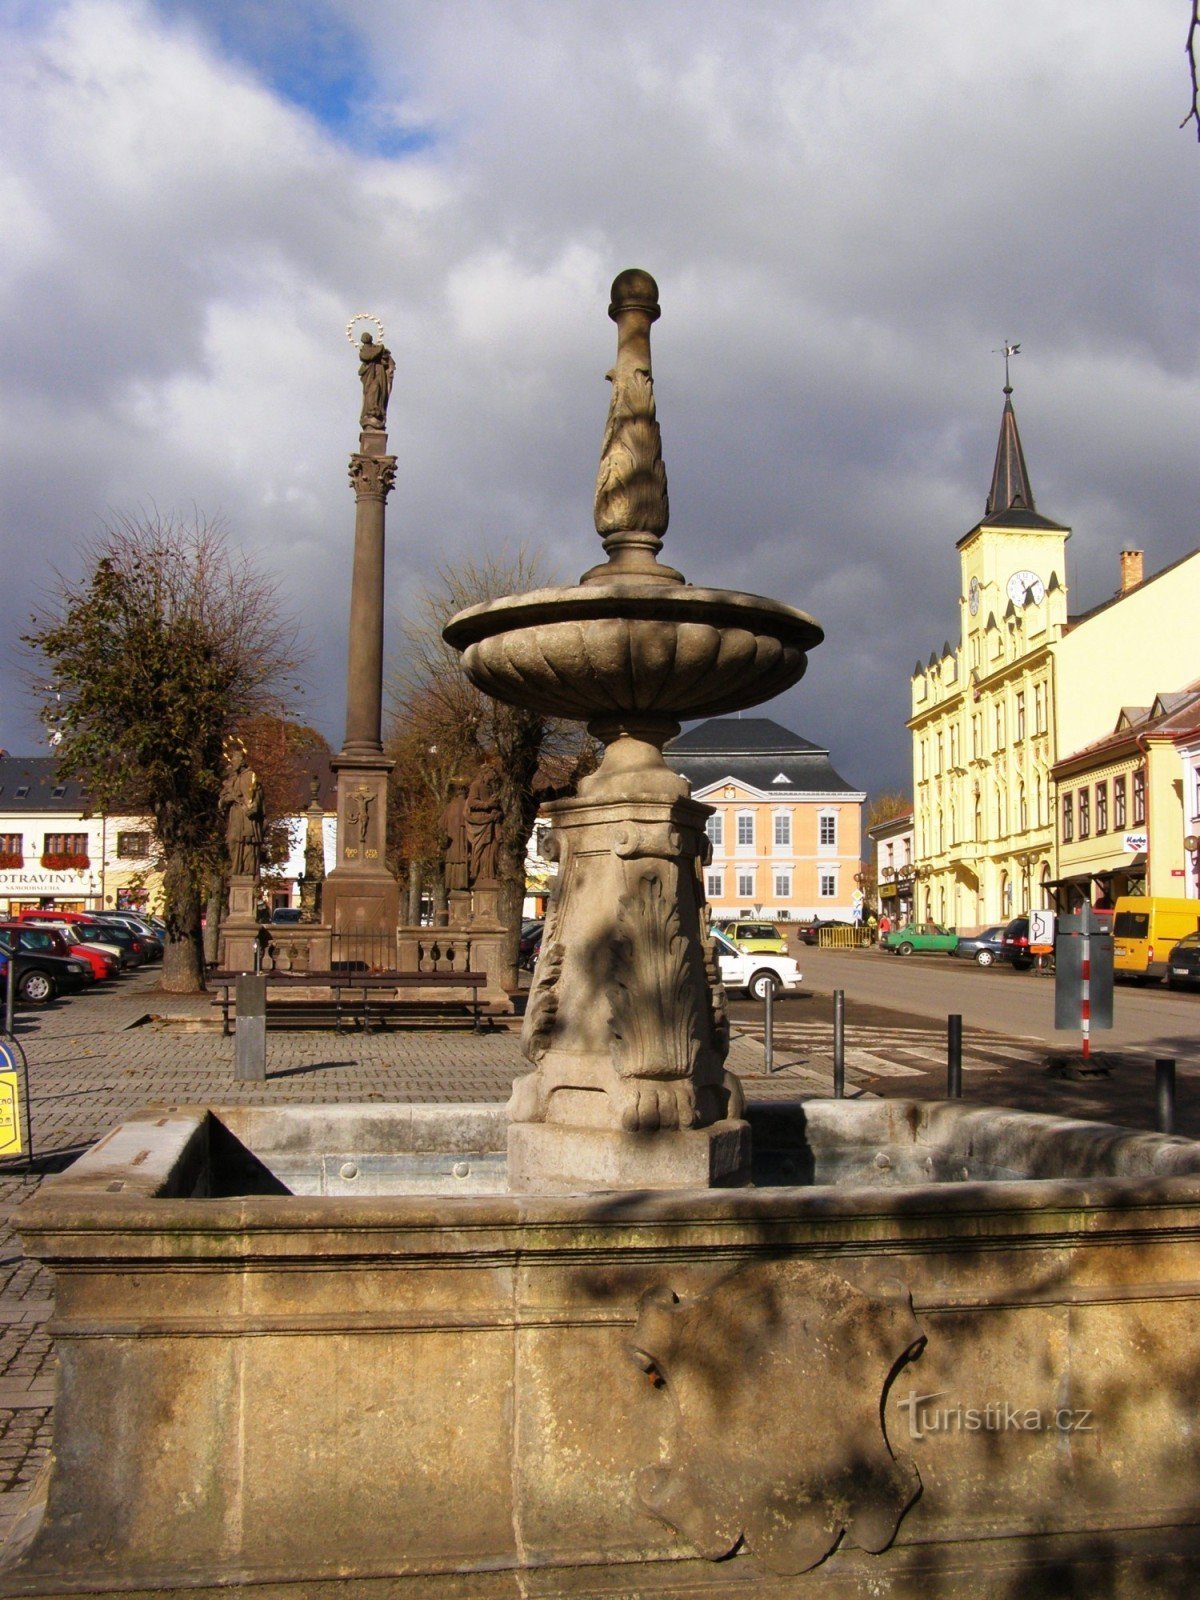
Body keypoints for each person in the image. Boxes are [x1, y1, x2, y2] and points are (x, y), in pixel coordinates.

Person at [220, 743, 265, 878]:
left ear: (242, 761)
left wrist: (253, 806)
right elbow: (222, 798)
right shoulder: (232, 779)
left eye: (235, 759)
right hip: (235, 815)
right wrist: (225, 800)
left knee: (247, 843)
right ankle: (235, 868)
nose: (232, 762)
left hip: (246, 817)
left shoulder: (250, 776)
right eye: (232, 759)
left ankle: (245, 870)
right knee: (232, 841)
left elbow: (257, 795)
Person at [357, 332, 395, 429]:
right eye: (364, 337)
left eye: (367, 337)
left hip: (379, 373)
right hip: (370, 377)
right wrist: (380, 348)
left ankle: (377, 410)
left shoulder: (376, 348)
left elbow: (386, 359)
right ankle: (371, 411)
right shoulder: (364, 351)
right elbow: (367, 356)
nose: (366, 338)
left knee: (380, 391)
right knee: (372, 390)